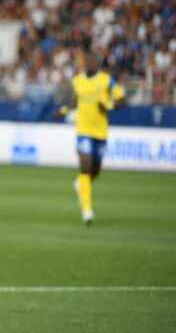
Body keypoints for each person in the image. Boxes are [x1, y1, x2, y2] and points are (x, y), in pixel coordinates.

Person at [57, 49, 125, 225]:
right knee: (85, 166)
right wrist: (63, 111)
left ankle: (81, 184)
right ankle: (87, 211)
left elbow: (121, 99)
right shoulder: (77, 81)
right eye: (84, 62)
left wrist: (108, 105)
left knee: (95, 169)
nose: (86, 65)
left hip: (100, 131)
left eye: (90, 62)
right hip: (83, 130)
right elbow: (74, 102)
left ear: (97, 64)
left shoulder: (106, 80)